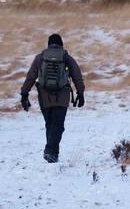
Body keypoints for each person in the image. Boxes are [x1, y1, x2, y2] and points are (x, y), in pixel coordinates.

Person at [20, 33, 86, 163]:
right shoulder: (67, 58)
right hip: (62, 97)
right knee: (58, 125)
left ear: (48, 44)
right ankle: (50, 151)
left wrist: (24, 94)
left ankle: (52, 155)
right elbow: (77, 76)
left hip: (44, 97)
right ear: (61, 44)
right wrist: (80, 93)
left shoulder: (40, 58)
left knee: (50, 124)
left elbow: (31, 77)